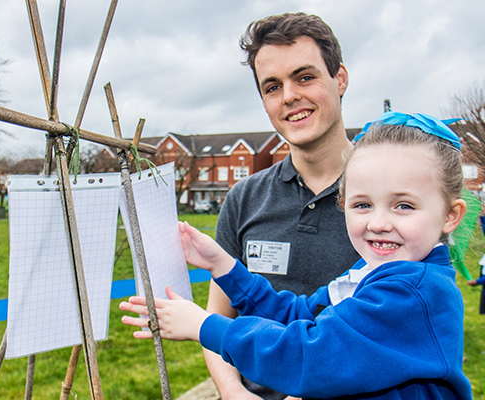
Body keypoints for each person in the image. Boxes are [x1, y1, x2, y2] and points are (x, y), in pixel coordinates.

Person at [121, 113, 473, 399]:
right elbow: (299, 316)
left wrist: (202, 326)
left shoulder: (413, 293)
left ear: (450, 215)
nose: (378, 223)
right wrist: (224, 266)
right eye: (362, 204)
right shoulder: (372, 271)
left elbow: (308, 357)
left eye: (404, 205)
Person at [208, 12, 362, 399]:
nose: (290, 96)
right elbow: (218, 319)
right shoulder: (243, 200)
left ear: (339, 78)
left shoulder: (394, 196)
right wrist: (233, 392)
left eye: (305, 77)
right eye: (272, 87)